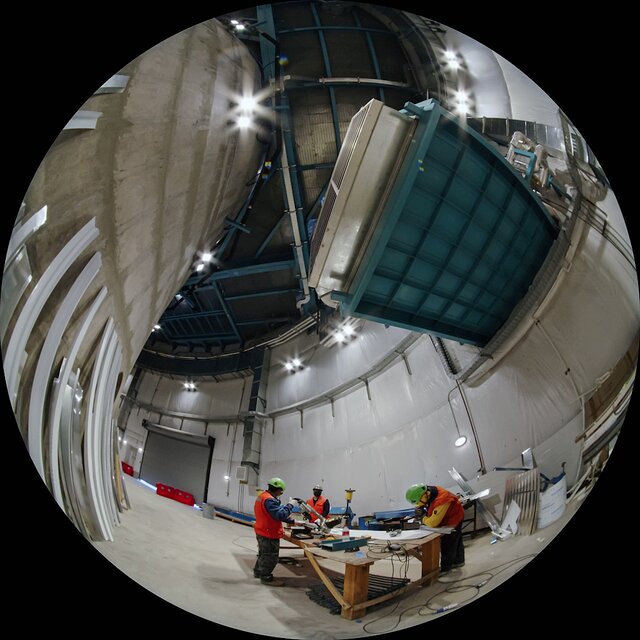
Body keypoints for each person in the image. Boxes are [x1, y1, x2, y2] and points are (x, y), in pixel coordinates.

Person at [405, 483, 465, 573]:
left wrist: (423, 518)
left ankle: (446, 568)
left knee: (448, 542)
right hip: (451, 514)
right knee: (456, 539)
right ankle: (459, 561)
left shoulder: (442, 499)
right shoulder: (430, 492)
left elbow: (433, 523)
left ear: (425, 494)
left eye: (418, 502)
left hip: (454, 517)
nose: (418, 504)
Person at [253, 477, 298, 586]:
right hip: (269, 533)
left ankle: (258, 571)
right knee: (271, 557)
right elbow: (279, 514)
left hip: (261, 530)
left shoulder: (262, 496)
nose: (281, 493)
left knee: (263, 554)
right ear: (277, 489)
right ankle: (266, 577)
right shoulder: (270, 500)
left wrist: (289, 520)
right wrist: (290, 505)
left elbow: (271, 514)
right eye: (281, 491)